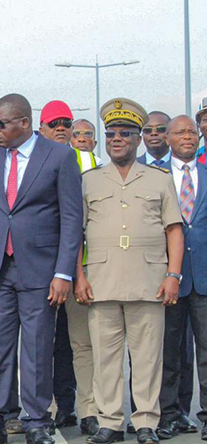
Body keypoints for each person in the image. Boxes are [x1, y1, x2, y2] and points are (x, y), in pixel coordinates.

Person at [0, 94, 83, 444]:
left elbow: (72, 218)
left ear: (24, 123)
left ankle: (37, 421)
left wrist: (63, 273)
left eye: (1, 124)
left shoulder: (59, 156)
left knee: (37, 348)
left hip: (41, 271)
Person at [77, 98, 183, 444]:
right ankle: (110, 422)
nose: (116, 139)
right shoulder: (89, 180)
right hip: (101, 283)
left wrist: (173, 275)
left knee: (148, 358)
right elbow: (76, 233)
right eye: (110, 134)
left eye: (125, 133)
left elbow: (174, 230)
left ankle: (146, 422)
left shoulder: (159, 178)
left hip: (149, 282)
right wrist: (78, 276)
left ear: (138, 139)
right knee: (105, 359)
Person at [39, 100, 99, 435]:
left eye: (66, 123)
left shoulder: (88, 163)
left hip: (77, 269)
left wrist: (79, 273)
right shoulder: (29, 162)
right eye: (54, 123)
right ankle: (42, 410)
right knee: (40, 345)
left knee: (82, 344)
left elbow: (82, 223)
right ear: (42, 129)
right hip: (39, 270)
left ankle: (87, 409)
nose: (61, 128)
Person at [155, 115, 203, 440]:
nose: (187, 136)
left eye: (192, 132)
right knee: (169, 352)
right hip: (167, 278)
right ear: (167, 139)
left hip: (205, 278)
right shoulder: (155, 178)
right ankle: (169, 415)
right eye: (180, 132)